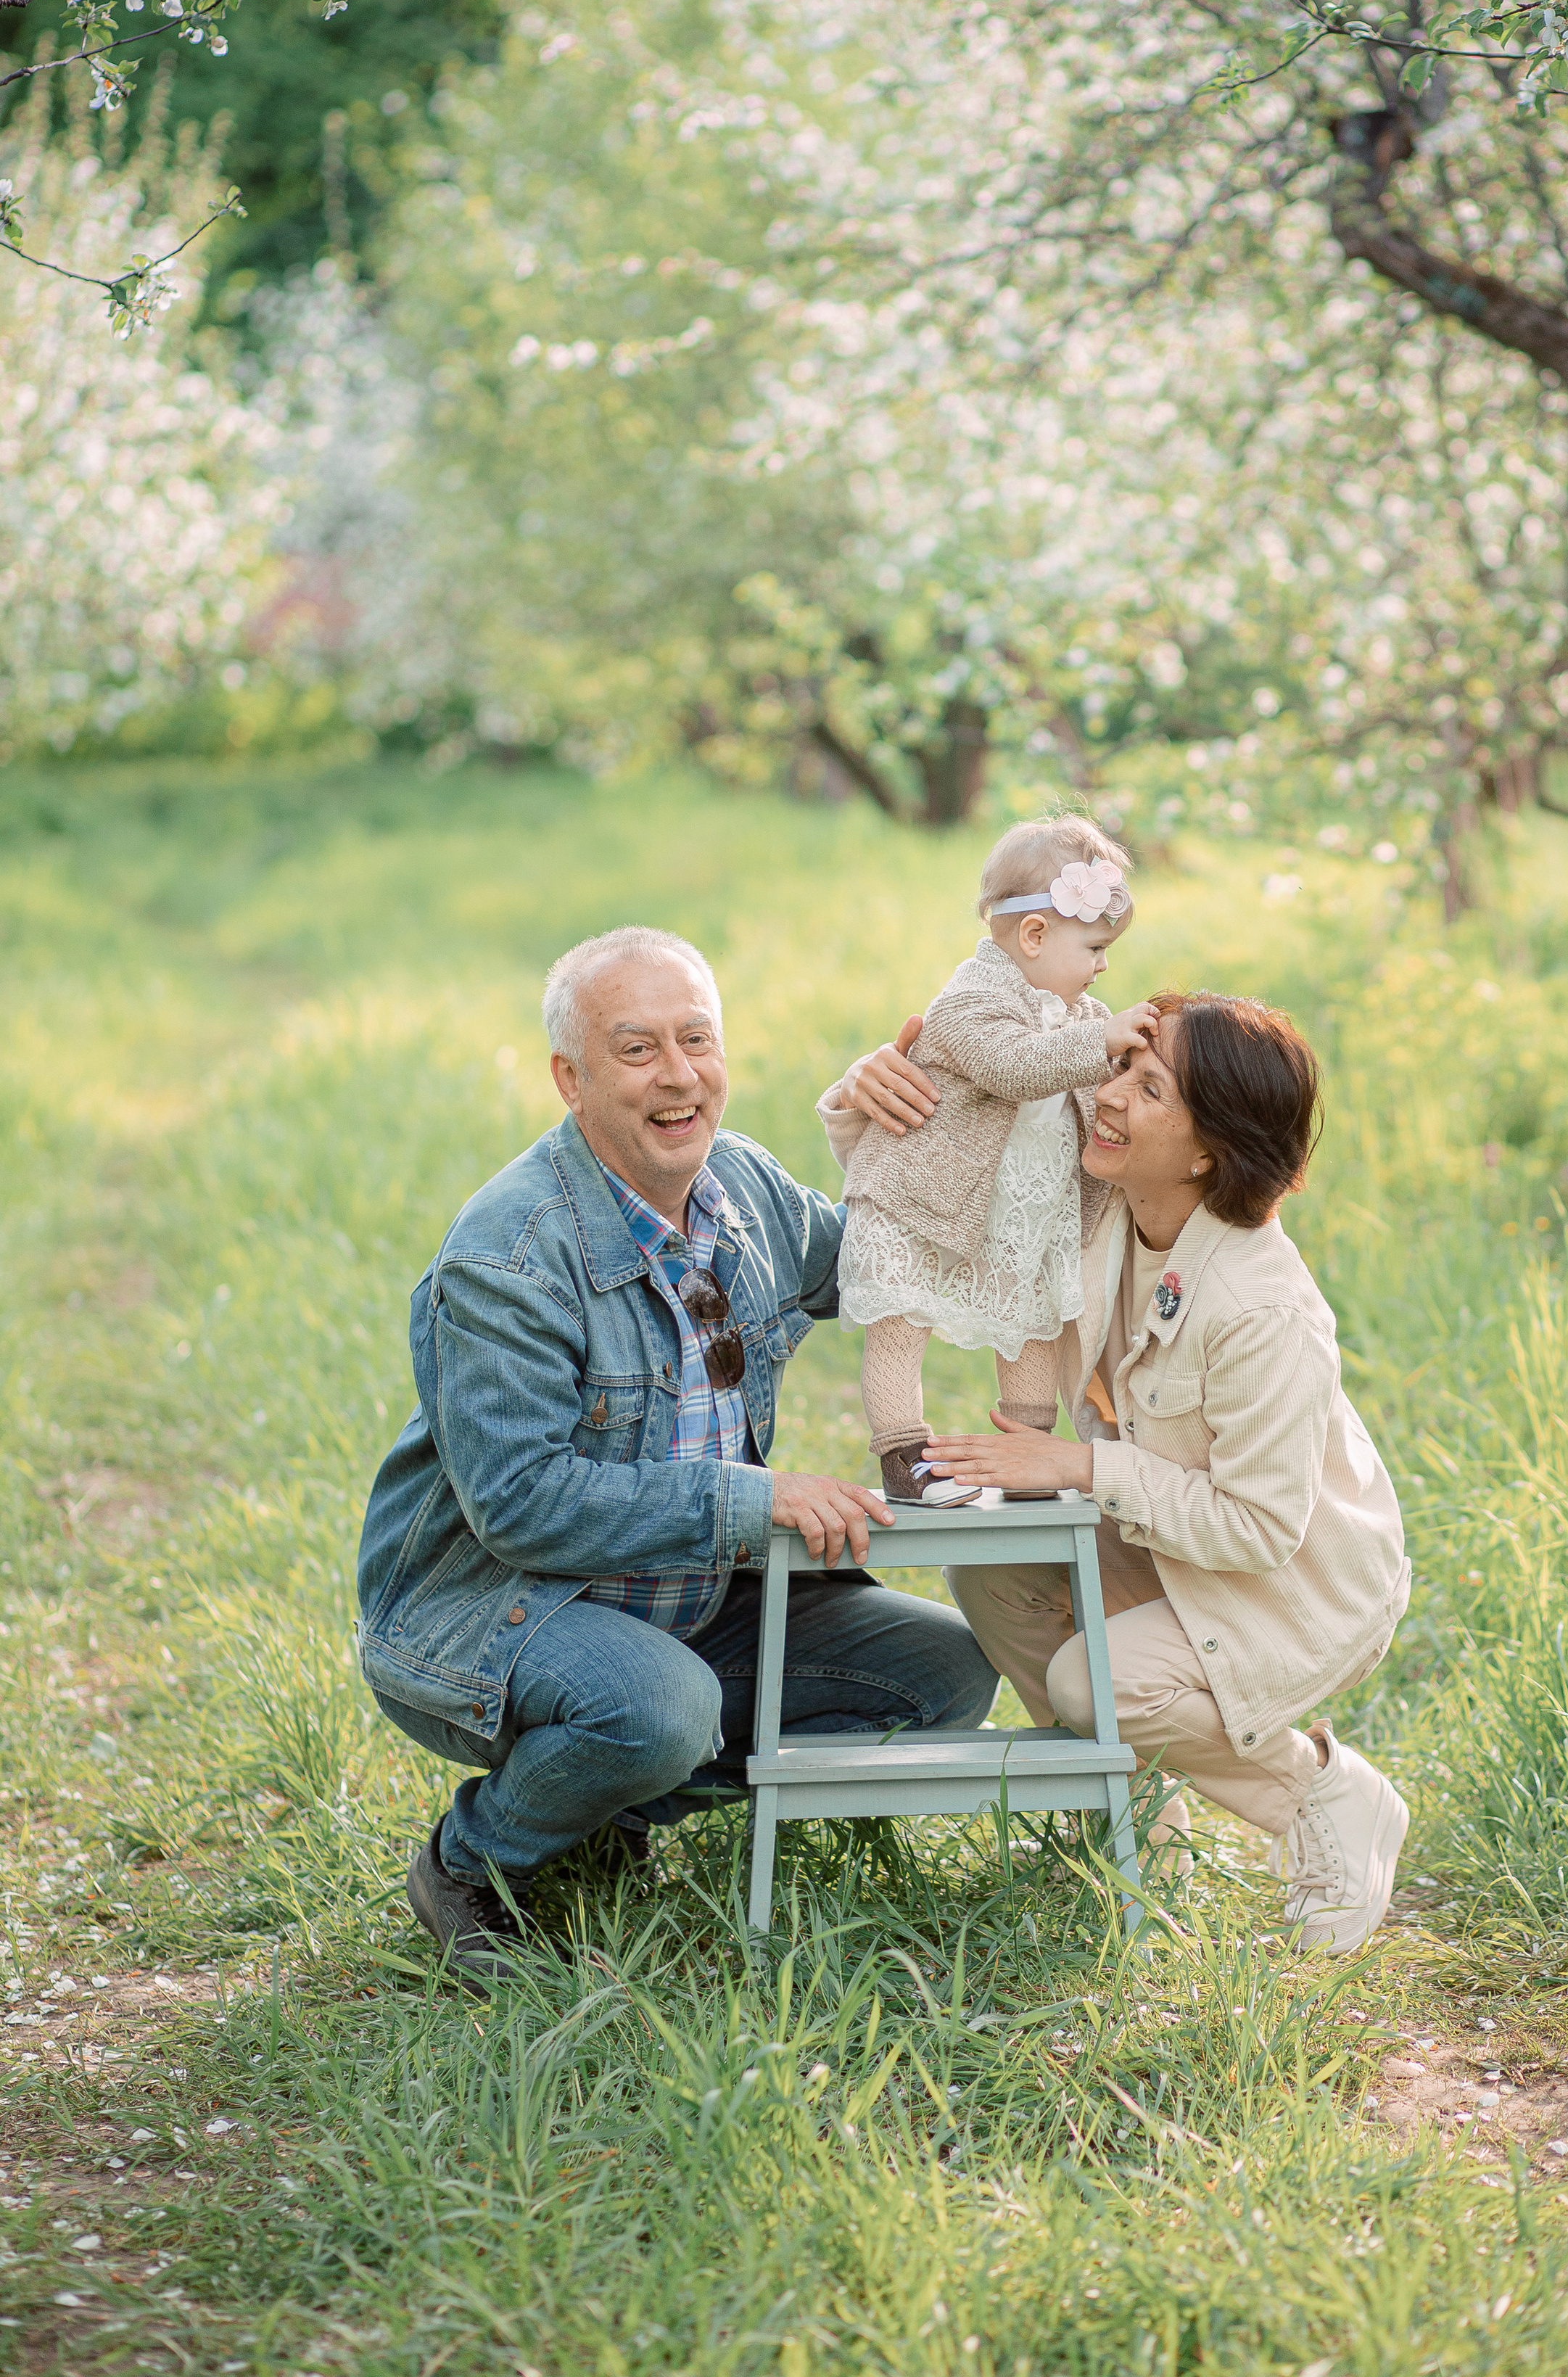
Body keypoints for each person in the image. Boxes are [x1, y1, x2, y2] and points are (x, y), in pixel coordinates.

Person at [355, 926, 998, 1991]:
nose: (678, 1076)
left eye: (697, 1041)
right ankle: (472, 1862)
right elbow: (522, 1506)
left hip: (688, 1604)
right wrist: (753, 1503)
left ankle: (598, 1810)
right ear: (571, 1078)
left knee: (945, 1674)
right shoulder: (508, 1257)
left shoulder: (741, 1187)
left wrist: (919, 1111)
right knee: (658, 1710)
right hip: (498, 1609)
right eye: (638, 1049)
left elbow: (887, 1264)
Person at [822, 992, 1411, 1955]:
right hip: (1168, 1538)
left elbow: (1261, 1529)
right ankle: (1128, 1825)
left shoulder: (1262, 1308)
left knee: (1098, 1683)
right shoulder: (1105, 1205)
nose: (1108, 1095)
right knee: (991, 1566)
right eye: (1120, 1067)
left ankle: (1328, 1797)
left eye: (1149, 1087)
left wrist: (1078, 1465)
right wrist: (868, 1099)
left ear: (1207, 1152)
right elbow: (944, 1198)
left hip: (1287, 1580)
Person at [837, 814, 1158, 1509]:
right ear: (1035, 937)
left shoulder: (1077, 1013)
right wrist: (1101, 1038)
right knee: (902, 1318)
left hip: (1022, 1208)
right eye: (1096, 946)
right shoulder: (968, 1003)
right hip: (922, 1201)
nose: (1104, 965)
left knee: (1032, 1324)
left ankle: (1028, 1452)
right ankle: (904, 1453)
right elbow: (1011, 1067)